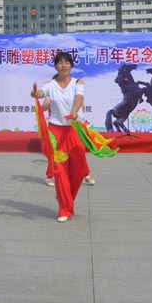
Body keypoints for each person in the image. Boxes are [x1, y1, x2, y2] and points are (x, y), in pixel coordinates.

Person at [30, 51, 88, 223]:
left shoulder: (78, 82)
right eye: (60, 63)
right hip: (56, 132)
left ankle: (66, 199)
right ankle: (64, 208)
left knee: (78, 171)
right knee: (60, 172)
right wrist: (35, 94)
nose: (63, 65)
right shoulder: (50, 84)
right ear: (55, 66)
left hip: (74, 130)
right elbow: (41, 93)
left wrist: (74, 111)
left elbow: (79, 98)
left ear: (71, 65)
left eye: (66, 62)